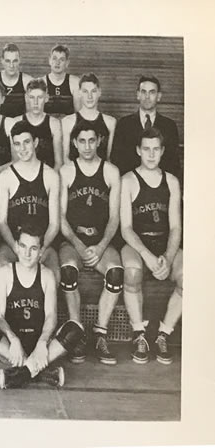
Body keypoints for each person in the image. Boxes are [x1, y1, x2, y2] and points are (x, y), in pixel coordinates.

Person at [0, 223, 85, 389]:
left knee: (75, 328)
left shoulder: (47, 275)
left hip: (40, 347)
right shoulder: (5, 273)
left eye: (33, 249)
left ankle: (22, 373)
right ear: (17, 247)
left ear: (40, 251)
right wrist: (13, 339)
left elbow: (50, 316)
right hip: (12, 347)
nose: (27, 253)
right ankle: (39, 371)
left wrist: (42, 342)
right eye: (23, 246)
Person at [59, 120, 123, 365]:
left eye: (91, 140)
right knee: (68, 271)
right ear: (75, 143)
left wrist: (101, 246)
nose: (87, 146)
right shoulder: (66, 171)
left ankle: (100, 333)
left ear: (99, 142)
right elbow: (61, 218)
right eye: (82, 141)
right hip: (72, 241)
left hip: (101, 243)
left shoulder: (110, 171)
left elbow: (115, 217)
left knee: (116, 273)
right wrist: (78, 244)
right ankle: (76, 333)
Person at [120, 127, 182, 365]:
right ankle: (139, 333)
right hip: (137, 243)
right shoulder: (128, 180)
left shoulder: (172, 182)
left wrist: (167, 255)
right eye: (146, 149)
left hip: (164, 244)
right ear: (138, 150)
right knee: (133, 272)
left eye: (156, 149)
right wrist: (147, 255)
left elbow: (176, 227)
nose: (151, 154)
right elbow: (126, 228)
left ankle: (164, 334)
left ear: (163, 151)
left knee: (188, 276)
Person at [0, 121, 61, 282]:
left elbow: (54, 223)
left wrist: (41, 248)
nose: (22, 149)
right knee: (3, 270)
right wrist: (16, 247)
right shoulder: (6, 176)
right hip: (14, 244)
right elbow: (2, 221)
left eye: (26, 142)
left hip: (41, 245)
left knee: (55, 276)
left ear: (35, 142)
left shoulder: (50, 175)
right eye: (17, 144)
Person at [111, 76, 182, 180]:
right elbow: (117, 160)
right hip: (131, 185)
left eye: (152, 92)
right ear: (138, 95)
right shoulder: (124, 124)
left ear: (159, 96)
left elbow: (173, 164)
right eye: (143, 92)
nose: (147, 96)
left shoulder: (169, 126)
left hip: (160, 186)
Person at [61, 73, 116, 162]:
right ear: (79, 93)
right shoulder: (67, 122)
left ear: (99, 92)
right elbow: (65, 158)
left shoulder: (110, 122)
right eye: (85, 91)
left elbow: (108, 159)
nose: (89, 96)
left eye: (93, 91)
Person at [21, 78, 63, 169]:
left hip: (48, 176)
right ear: (26, 98)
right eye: (32, 97)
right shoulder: (18, 121)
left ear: (46, 98)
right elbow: (16, 161)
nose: (35, 102)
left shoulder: (54, 123)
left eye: (39, 97)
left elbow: (58, 162)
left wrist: (51, 179)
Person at [0, 43, 32, 118]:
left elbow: (31, 113)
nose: (11, 65)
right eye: (8, 61)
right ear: (2, 61)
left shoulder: (27, 81)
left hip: (20, 125)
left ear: (19, 60)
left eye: (15, 61)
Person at [43, 44, 81, 117]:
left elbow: (78, 114)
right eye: (54, 58)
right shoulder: (42, 82)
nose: (57, 63)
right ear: (49, 61)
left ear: (67, 63)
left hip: (68, 126)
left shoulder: (75, 82)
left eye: (62, 59)